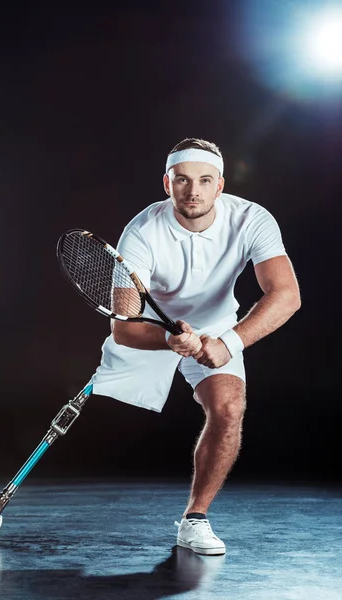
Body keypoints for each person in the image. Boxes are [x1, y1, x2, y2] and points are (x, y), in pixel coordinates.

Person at [91, 138, 301, 555]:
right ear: (166, 183)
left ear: (220, 185)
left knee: (228, 407)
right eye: (182, 180)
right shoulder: (141, 232)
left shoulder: (252, 220)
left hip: (219, 328)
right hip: (152, 330)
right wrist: (170, 338)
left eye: (205, 180)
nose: (193, 191)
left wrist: (229, 341)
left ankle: (195, 519)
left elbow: (287, 295)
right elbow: (124, 328)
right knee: (86, 405)